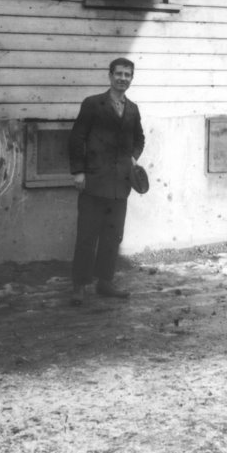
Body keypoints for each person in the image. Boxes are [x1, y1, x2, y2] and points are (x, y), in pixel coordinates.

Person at [66, 57, 145, 304]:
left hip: (120, 185)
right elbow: (77, 138)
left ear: (132, 79)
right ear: (110, 76)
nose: (123, 78)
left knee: (112, 236)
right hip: (94, 181)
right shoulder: (92, 104)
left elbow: (139, 139)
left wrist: (132, 158)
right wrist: (78, 172)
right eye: (119, 74)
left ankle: (105, 283)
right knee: (87, 236)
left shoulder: (132, 109)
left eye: (128, 75)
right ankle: (79, 285)